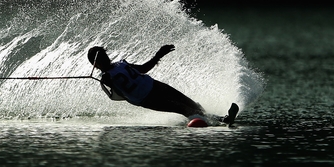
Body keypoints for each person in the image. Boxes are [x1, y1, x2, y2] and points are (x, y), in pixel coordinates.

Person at [87, 45, 238, 125]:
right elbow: (114, 96)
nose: (106, 58)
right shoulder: (106, 78)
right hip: (146, 99)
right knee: (181, 108)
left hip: (155, 85)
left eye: (105, 55)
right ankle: (220, 121)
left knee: (190, 102)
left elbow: (144, 69)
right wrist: (104, 78)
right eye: (101, 58)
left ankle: (219, 119)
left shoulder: (121, 64)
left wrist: (159, 55)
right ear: (96, 64)